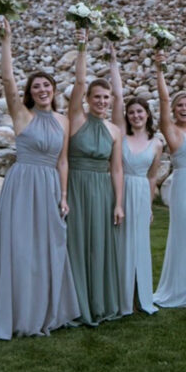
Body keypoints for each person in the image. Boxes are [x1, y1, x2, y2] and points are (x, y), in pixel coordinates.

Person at [0, 16, 79, 339]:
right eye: (37, 87)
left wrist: (63, 196)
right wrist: (6, 41)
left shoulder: (63, 121)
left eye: (47, 85)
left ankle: (46, 311)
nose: (43, 89)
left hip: (49, 187)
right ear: (30, 94)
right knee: (21, 250)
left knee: (49, 249)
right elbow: (7, 81)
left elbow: (63, 162)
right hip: (22, 186)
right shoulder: (22, 115)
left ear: (54, 90)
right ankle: (18, 313)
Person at [65, 28, 124, 326]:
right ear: (87, 98)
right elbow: (78, 81)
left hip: (103, 192)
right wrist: (82, 48)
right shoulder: (76, 118)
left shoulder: (114, 130)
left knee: (98, 246)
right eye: (96, 96)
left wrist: (119, 204)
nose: (102, 101)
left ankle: (98, 303)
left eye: (106, 97)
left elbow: (117, 169)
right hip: (76, 186)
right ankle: (76, 305)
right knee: (75, 243)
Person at [152, 51, 186, 308]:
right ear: (173, 110)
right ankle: (182, 288)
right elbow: (163, 99)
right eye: (180, 106)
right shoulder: (171, 130)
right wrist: (160, 70)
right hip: (184, 186)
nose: (184, 109)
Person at [109, 45, 161, 315]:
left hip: (141, 193)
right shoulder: (120, 134)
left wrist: (150, 205)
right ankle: (120, 296)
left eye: (140, 112)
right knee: (119, 243)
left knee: (140, 244)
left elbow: (153, 177)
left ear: (148, 115)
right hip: (120, 190)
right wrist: (114, 63)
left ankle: (141, 296)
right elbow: (117, 98)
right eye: (132, 113)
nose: (136, 116)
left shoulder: (156, 144)